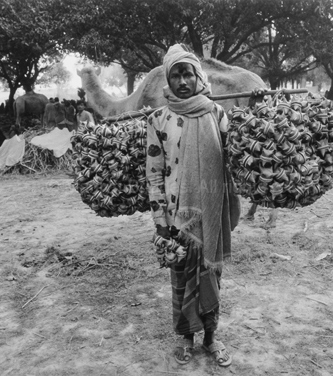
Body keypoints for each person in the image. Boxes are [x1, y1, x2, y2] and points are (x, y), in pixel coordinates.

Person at [146, 44, 238, 367]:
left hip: (212, 213)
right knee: (181, 278)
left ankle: (211, 338)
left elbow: (236, 155)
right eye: (176, 75)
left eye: (188, 73)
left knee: (212, 275)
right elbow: (154, 174)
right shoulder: (158, 120)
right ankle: (186, 338)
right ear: (168, 81)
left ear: (198, 76)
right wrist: (160, 220)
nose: (183, 81)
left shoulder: (217, 114)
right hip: (177, 217)